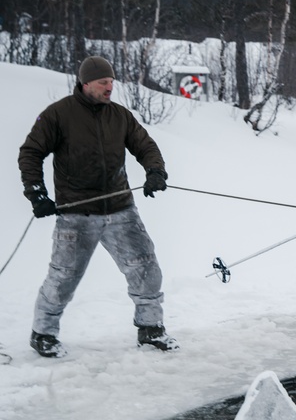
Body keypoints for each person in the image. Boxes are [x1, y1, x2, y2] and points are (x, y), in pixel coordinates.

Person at [17, 55, 178, 358]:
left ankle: (151, 329)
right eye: (104, 82)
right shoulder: (58, 115)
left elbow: (145, 145)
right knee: (63, 277)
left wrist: (155, 171)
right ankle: (43, 334)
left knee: (146, 268)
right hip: (77, 212)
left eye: (112, 82)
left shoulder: (119, 115)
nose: (109, 87)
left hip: (120, 207)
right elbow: (31, 152)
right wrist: (36, 193)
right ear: (86, 83)